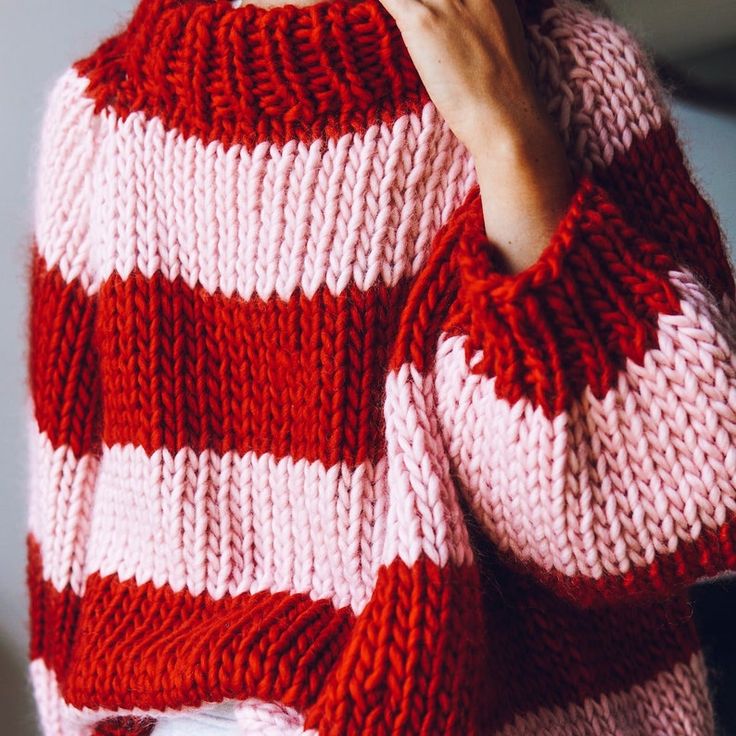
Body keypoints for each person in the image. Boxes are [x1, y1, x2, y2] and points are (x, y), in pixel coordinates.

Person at [24, 0, 736, 733]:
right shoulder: (105, 116)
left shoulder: (568, 74)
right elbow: (68, 514)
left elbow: (665, 508)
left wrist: (506, 134)